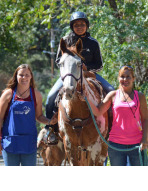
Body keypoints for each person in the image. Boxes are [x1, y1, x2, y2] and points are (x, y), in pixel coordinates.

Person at [44, 11, 115, 143]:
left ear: (87, 26)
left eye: (82, 24)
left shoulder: (93, 43)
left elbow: (99, 65)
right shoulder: (65, 40)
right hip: (69, 75)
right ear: (72, 26)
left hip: (89, 74)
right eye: (76, 24)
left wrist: (86, 68)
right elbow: (58, 60)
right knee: (50, 97)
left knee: (111, 90)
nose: (79, 26)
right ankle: (50, 129)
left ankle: (113, 127)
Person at [80, 65, 148, 166]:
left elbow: (145, 119)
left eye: (128, 76)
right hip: (116, 145)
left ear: (133, 78)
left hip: (136, 144)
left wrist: (145, 139)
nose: (125, 79)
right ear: (118, 78)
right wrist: (86, 99)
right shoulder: (113, 95)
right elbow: (98, 111)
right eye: (122, 76)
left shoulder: (140, 96)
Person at [0, 64, 57, 166]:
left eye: (27, 74)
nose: (24, 77)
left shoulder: (36, 95)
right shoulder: (8, 94)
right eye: (21, 75)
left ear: (31, 76)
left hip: (29, 144)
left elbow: (39, 116)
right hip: (10, 143)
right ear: (16, 76)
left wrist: (50, 121)